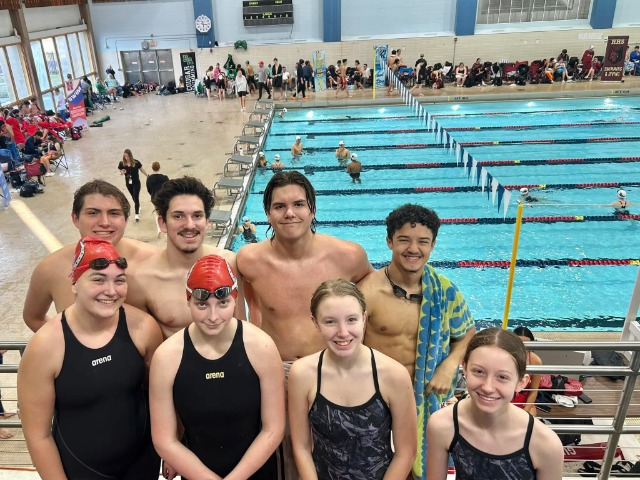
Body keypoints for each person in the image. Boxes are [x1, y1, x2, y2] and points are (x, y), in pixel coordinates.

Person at [236, 171, 372, 479]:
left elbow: (373, 297)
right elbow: (246, 313)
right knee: (289, 452)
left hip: (335, 365)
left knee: (342, 447)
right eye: (279, 206)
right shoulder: (249, 260)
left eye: (298, 204)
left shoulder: (347, 255)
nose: (290, 213)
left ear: (312, 209)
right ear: (267, 213)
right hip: (279, 370)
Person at [18, 237, 164, 480]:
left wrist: (167, 450)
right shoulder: (45, 346)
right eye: (98, 279)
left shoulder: (143, 328)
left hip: (142, 465)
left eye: (120, 280)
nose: (111, 291)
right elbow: (38, 436)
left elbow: (158, 399)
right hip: (82, 470)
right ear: (74, 283)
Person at [357, 204, 475, 480]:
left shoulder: (445, 290)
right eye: (404, 240)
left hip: (425, 399)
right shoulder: (367, 292)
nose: (413, 249)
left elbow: (467, 333)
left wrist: (449, 365)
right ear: (389, 241)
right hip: (376, 401)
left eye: (423, 241)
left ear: (433, 245)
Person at [149, 255, 285, 480]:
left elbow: (273, 430)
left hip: (256, 472)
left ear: (235, 300)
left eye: (223, 303)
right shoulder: (167, 357)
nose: (213, 317)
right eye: (202, 305)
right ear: (188, 301)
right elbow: (165, 440)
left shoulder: (261, 347)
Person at [288, 279, 417, 479]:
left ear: (364, 318)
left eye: (351, 320)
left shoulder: (394, 375)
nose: (343, 332)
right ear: (315, 323)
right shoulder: (302, 374)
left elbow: (406, 453)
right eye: (330, 322)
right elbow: (301, 447)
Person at [23, 180, 161, 333]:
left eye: (114, 213)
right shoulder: (50, 269)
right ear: (75, 218)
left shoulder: (154, 261)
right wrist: (67, 342)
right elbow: (33, 318)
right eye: (93, 213)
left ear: (126, 220)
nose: (104, 222)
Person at [426, 328, 564, 480]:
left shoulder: (546, 445)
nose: (488, 387)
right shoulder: (443, 425)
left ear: (521, 383)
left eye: (502, 377)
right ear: (464, 368)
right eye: (479, 372)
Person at [125, 176, 244, 338]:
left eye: (197, 216)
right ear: (162, 223)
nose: (189, 225)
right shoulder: (141, 279)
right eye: (178, 216)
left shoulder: (230, 263)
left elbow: (241, 329)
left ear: (207, 221)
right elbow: (143, 343)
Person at [512, 326, 543, 416]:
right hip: (506, 400)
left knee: (530, 419)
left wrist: (525, 411)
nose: (522, 348)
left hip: (525, 401)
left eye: (526, 344)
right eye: (519, 344)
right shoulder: (505, 358)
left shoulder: (535, 361)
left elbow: (534, 391)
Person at [118, 148, 148, 222]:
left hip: (136, 183)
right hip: (128, 183)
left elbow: (142, 170)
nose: (126, 158)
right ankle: (138, 206)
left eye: (127, 156)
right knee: (133, 197)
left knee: (136, 197)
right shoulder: (122, 163)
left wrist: (147, 175)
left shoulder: (136, 163)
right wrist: (122, 172)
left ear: (130, 156)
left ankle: (136, 214)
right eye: (125, 156)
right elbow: (120, 172)